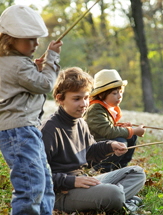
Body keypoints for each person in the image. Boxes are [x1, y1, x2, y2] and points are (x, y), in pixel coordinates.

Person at [40, 67, 146, 214]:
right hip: (61, 193)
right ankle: (122, 199)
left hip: (81, 181)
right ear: (60, 99)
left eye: (86, 98)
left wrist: (110, 146)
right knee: (113, 194)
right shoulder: (50, 129)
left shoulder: (80, 123)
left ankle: (120, 199)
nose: (84, 104)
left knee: (137, 173)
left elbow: (90, 152)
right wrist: (72, 181)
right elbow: (38, 174)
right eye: (77, 99)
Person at [0, 5, 63, 215]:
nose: (37, 43)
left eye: (37, 38)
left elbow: (29, 83)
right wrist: (52, 60)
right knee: (31, 185)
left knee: (44, 183)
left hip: (26, 129)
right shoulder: (18, 65)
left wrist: (36, 67)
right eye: (30, 39)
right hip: (18, 131)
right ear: (10, 39)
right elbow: (45, 85)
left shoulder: (15, 62)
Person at [83, 69, 146, 172]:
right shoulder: (95, 109)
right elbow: (109, 131)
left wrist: (124, 127)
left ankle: (119, 167)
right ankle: (100, 169)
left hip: (102, 144)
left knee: (131, 137)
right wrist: (133, 131)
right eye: (114, 93)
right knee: (121, 142)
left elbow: (107, 127)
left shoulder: (105, 108)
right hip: (90, 152)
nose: (119, 96)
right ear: (101, 94)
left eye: (120, 92)